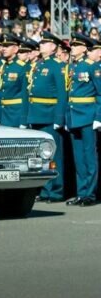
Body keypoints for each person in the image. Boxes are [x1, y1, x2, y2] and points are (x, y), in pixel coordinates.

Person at [28, 31, 67, 203]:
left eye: (44, 43)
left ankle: (56, 191)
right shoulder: (39, 64)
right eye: (41, 43)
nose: (41, 45)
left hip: (50, 114)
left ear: (53, 47)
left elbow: (61, 94)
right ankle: (45, 190)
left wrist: (59, 118)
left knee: (54, 155)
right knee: (40, 155)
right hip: (36, 113)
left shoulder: (57, 65)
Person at [64, 33, 98, 207]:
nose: (73, 48)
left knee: (89, 156)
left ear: (84, 48)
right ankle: (81, 192)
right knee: (79, 158)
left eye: (76, 46)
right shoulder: (73, 67)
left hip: (88, 115)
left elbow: (100, 93)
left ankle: (90, 194)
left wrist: (98, 117)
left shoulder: (92, 67)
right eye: (72, 45)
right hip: (74, 115)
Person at [0, 34, 29, 129]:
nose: (4, 49)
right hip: (2, 113)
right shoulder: (2, 66)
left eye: (7, 46)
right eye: (3, 46)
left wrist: (23, 120)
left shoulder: (22, 67)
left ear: (16, 49)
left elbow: (25, 95)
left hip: (15, 114)